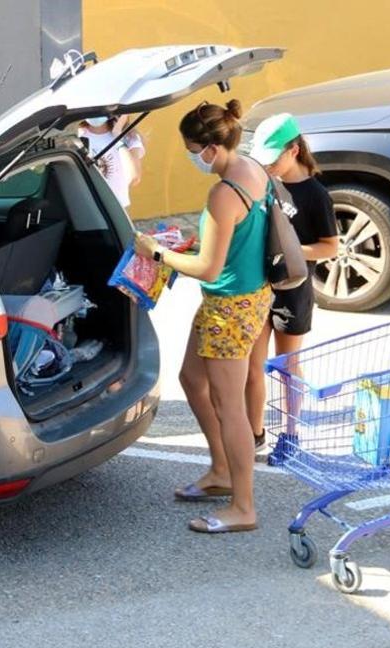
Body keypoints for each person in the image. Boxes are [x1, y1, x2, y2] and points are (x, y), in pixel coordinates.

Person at [133, 100, 271, 534]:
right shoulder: (251, 169)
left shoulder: (222, 193)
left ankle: (243, 506)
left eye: (192, 148)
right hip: (244, 299)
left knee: (230, 406)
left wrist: (157, 253)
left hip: (229, 306)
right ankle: (220, 471)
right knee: (193, 378)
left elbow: (208, 269)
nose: (191, 156)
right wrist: (192, 245)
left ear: (209, 148)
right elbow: (230, 246)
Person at [245, 113, 340, 462]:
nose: (267, 164)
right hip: (259, 286)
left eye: (273, 157)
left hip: (294, 289)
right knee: (253, 366)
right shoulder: (264, 183)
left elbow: (331, 246)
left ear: (294, 150)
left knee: (287, 365)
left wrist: (291, 251)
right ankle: (254, 434)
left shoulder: (316, 194)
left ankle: (291, 434)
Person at [79, 114, 145, 210]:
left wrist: (118, 137)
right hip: (88, 207)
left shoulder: (129, 137)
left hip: (116, 209)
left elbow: (134, 178)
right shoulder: (77, 136)